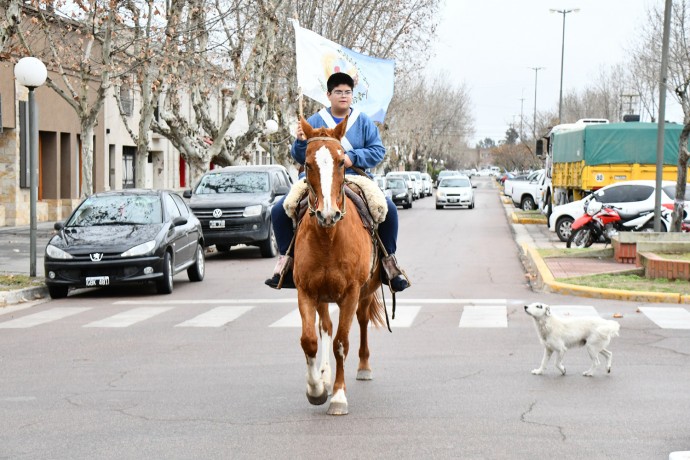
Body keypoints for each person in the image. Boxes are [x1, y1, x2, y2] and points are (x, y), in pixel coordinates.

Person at [264, 72, 409, 292]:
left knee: (388, 209)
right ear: (328, 95)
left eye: (348, 92)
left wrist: (353, 158)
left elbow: (378, 150)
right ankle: (287, 261)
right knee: (278, 210)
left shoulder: (363, 121)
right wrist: (301, 142)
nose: (343, 96)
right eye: (338, 92)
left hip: (355, 177)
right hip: (317, 179)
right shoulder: (313, 121)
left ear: (352, 95)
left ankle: (389, 263)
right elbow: (298, 155)